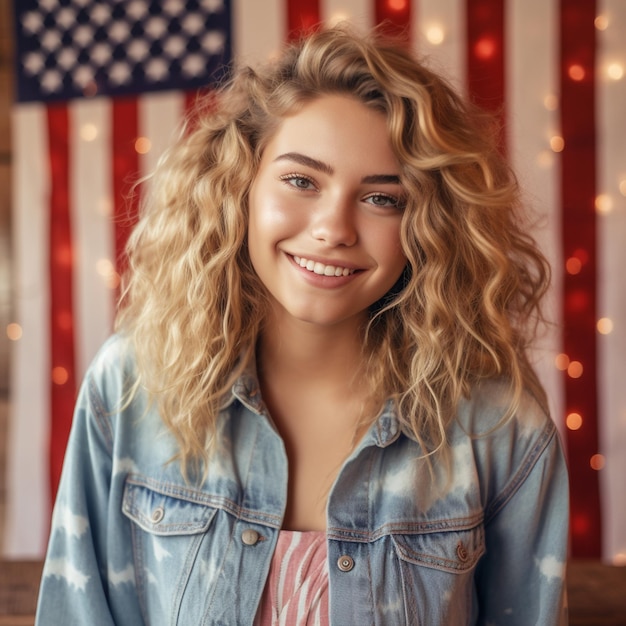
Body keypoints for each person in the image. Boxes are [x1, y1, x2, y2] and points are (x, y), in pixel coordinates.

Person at [35, 25, 569, 625]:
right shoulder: (131, 383)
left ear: (431, 225)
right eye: (301, 181)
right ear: (239, 186)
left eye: (382, 198)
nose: (334, 228)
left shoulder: (498, 425)